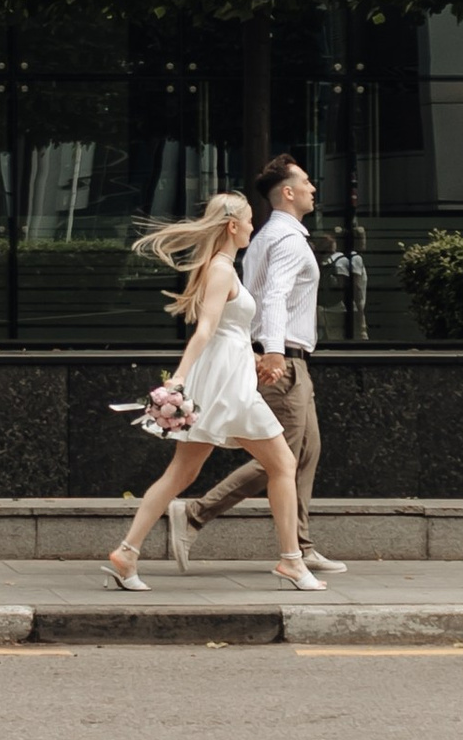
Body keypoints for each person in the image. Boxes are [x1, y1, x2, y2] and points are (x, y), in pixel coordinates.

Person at [105, 191, 323, 595]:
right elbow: (205, 331)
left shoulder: (223, 268)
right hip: (225, 383)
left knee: (182, 473)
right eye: (249, 220)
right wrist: (178, 380)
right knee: (282, 464)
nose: (254, 227)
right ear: (232, 226)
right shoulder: (221, 269)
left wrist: (255, 358)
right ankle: (292, 560)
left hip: (229, 372)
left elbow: (226, 331)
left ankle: (126, 553)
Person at [168, 153, 344, 575]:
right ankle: (196, 513)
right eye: (306, 182)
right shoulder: (287, 240)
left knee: (307, 449)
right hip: (281, 358)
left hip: (284, 356)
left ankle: (300, 545)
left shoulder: (267, 235)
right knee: (281, 456)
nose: (313, 189)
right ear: (288, 192)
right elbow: (274, 296)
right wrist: (275, 352)